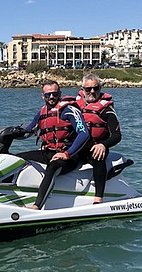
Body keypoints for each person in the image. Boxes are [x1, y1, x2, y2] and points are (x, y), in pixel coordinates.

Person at [18, 80, 90, 210]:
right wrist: (10, 133)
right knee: (16, 159)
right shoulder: (42, 112)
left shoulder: (69, 110)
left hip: (70, 154)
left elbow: (83, 133)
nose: (51, 97)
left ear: (60, 94)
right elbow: (29, 130)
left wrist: (66, 153)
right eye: (48, 95)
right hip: (48, 152)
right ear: (42, 96)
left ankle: (37, 206)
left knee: (52, 167)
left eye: (54, 94)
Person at [76, 74, 122, 204]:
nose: (92, 92)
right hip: (78, 147)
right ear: (82, 89)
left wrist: (103, 145)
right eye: (88, 89)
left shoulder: (107, 110)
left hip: (96, 147)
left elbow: (117, 135)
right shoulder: (74, 105)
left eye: (95, 88)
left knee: (98, 157)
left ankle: (98, 198)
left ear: (100, 88)